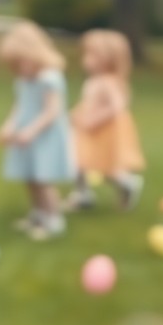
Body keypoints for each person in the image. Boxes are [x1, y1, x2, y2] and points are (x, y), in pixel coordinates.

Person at [0, 22, 75, 241]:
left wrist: (32, 130)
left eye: (22, 62)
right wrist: (8, 127)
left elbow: (52, 111)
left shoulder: (50, 77)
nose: (20, 69)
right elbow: (20, 107)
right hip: (27, 136)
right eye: (15, 65)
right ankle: (38, 214)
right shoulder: (23, 80)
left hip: (45, 136)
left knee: (43, 179)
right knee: (29, 177)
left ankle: (54, 219)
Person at [65, 29, 145, 211]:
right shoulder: (94, 80)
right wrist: (77, 114)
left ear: (109, 58)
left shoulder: (109, 82)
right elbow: (88, 104)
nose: (86, 59)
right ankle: (82, 194)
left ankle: (128, 184)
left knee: (107, 168)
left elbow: (118, 106)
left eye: (92, 54)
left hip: (105, 132)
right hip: (87, 130)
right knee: (78, 162)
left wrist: (93, 119)